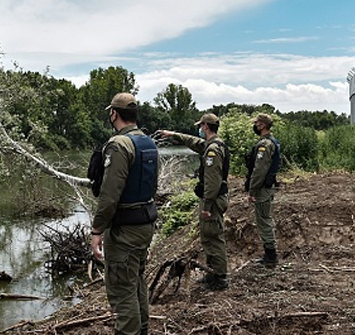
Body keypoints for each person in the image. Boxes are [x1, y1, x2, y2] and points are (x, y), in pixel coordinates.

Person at [90, 92, 159, 335]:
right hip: (144, 225)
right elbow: (152, 187)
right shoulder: (149, 142)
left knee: (121, 290)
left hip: (125, 231)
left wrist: (97, 230)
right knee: (136, 282)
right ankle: (142, 330)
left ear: (114, 114)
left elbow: (110, 197)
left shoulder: (119, 145)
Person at [158, 113, 230, 290]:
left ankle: (220, 278)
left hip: (212, 201)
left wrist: (206, 206)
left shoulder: (213, 150)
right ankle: (212, 273)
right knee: (208, 236)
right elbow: (192, 141)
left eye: (201, 125)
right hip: (213, 200)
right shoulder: (211, 144)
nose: (199, 128)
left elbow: (212, 183)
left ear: (205, 126)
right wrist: (172, 134)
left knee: (214, 237)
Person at [245, 113, 281, 267]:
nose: (255, 126)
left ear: (263, 125)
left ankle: (271, 256)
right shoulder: (268, 142)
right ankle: (269, 254)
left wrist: (252, 191)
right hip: (265, 187)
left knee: (264, 221)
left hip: (262, 189)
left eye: (257, 123)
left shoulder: (265, 145)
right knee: (264, 220)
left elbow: (259, 170)